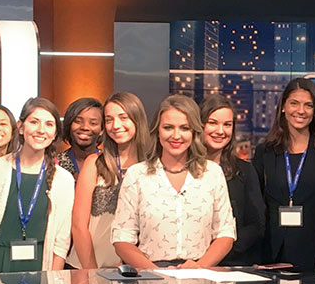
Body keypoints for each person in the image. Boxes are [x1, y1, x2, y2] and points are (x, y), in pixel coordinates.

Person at [113, 95, 236, 268]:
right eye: (168, 127)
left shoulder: (212, 173)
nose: (176, 135)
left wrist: (199, 267)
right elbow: (122, 238)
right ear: (157, 131)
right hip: (150, 274)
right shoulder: (137, 175)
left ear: (194, 132)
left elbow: (225, 233)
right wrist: (156, 272)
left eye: (184, 128)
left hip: (199, 272)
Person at [0, 98, 76, 273]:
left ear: (55, 133)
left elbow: (61, 243)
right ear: (21, 127)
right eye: (34, 122)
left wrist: (53, 281)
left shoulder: (63, 180)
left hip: (40, 267)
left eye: (49, 124)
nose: (41, 130)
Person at [253, 78, 315, 269]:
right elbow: (256, 204)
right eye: (294, 103)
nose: (301, 111)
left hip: (314, 251)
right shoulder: (266, 151)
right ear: (283, 107)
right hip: (271, 251)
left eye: (308, 105)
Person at [71, 92, 151, 269]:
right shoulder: (95, 163)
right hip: (88, 266)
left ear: (137, 119)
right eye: (109, 120)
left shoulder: (152, 167)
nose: (116, 125)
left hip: (139, 268)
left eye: (123, 118)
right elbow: (78, 226)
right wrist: (92, 272)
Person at [200, 94, 265, 266]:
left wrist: (221, 250)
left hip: (233, 264)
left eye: (227, 125)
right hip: (190, 261)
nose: (220, 131)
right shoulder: (184, 171)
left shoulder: (244, 171)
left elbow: (256, 225)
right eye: (213, 123)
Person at [59, 97, 104, 177]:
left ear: (102, 130)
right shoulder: (56, 164)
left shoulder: (108, 163)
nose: (85, 127)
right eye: (78, 121)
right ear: (69, 125)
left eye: (93, 123)